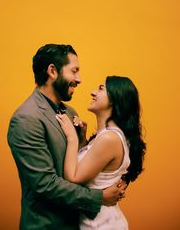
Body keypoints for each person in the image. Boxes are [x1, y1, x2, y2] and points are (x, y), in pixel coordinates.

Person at [7, 44, 127, 230]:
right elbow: (44, 184)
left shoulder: (70, 112)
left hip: (79, 224)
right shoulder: (26, 118)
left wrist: (81, 141)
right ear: (52, 71)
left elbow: (77, 168)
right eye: (74, 71)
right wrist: (100, 197)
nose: (79, 80)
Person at [56, 75, 146, 229]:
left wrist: (72, 137)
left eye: (101, 89)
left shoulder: (109, 138)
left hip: (102, 225)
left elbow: (73, 177)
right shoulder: (108, 135)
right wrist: (83, 140)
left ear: (115, 99)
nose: (93, 92)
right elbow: (95, 171)